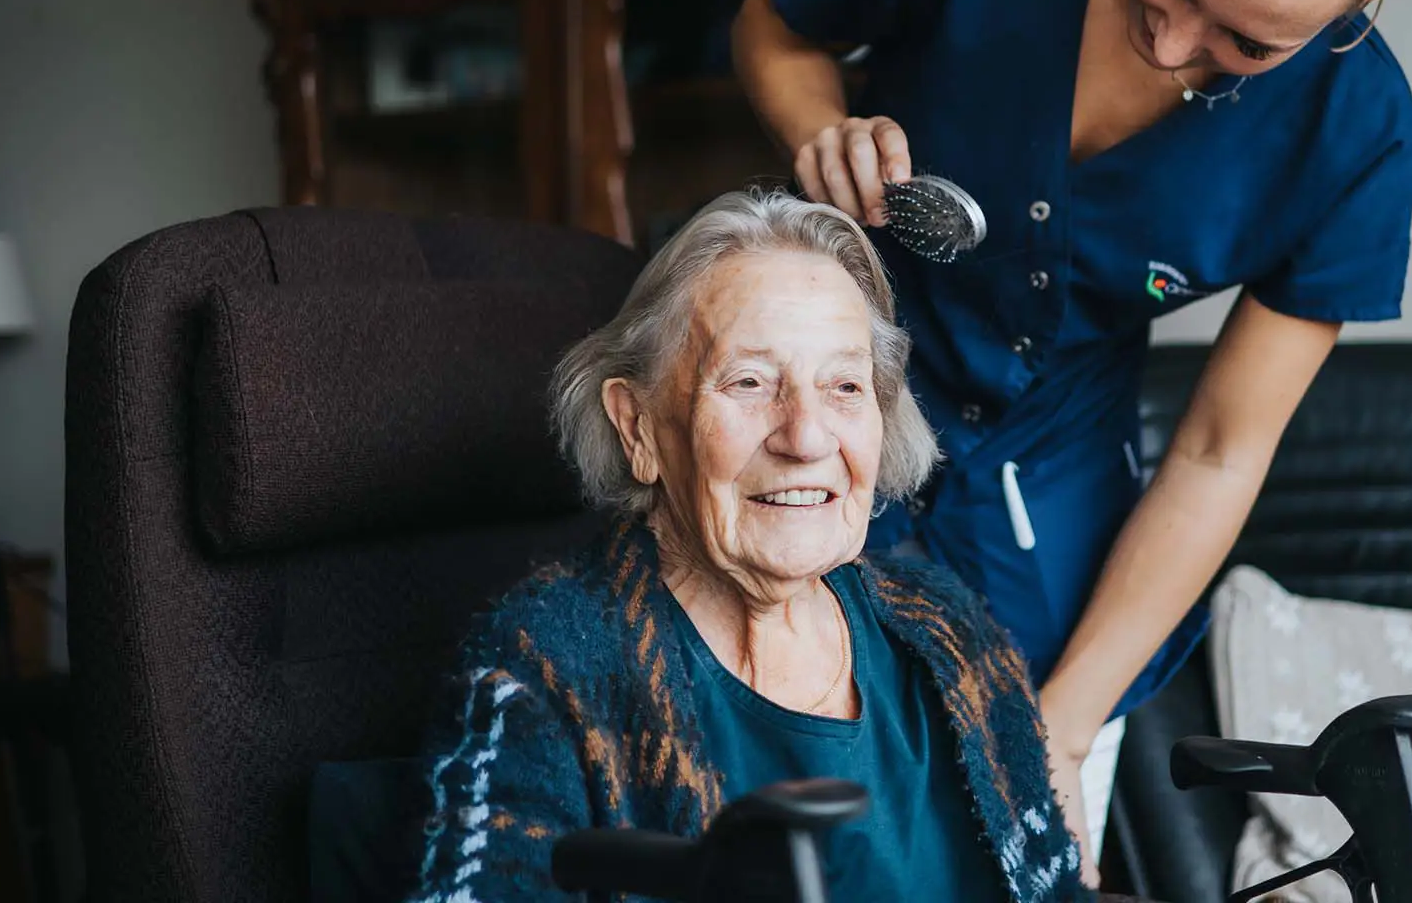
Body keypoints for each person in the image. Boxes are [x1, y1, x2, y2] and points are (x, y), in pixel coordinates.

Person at [731, 0, 1412, 876]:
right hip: (828, 369)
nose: (1171, 45)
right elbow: (777, 18)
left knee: (1006, 831)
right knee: (772, 777)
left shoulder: (1357, 137)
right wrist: (818, 125)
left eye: (1246, 46)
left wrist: (1062, 728)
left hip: (1053, 453)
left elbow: (1219, 450)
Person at [405, 188, 1091, 903]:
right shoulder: (550, 666)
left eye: (845, 386)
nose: (806, 436)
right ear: (638, 427)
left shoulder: (948, 632)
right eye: (750, 381)